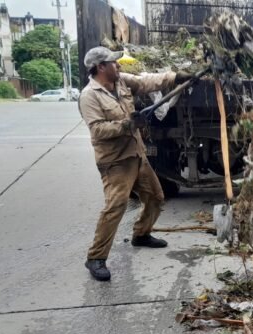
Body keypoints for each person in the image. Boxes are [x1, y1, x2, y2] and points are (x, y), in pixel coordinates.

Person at [79, 46, 193, 281]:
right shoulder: (89, 96)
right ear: (101, 67)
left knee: (156, 196)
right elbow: (97, 129)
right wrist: (127, 125)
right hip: (116, 161)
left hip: (137, 154)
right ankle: (96, 257)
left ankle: (141, 234)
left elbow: (146, 81)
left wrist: (175, 77)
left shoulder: (121, 81)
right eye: (113, 63)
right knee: (116, 206)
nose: (118, 66)